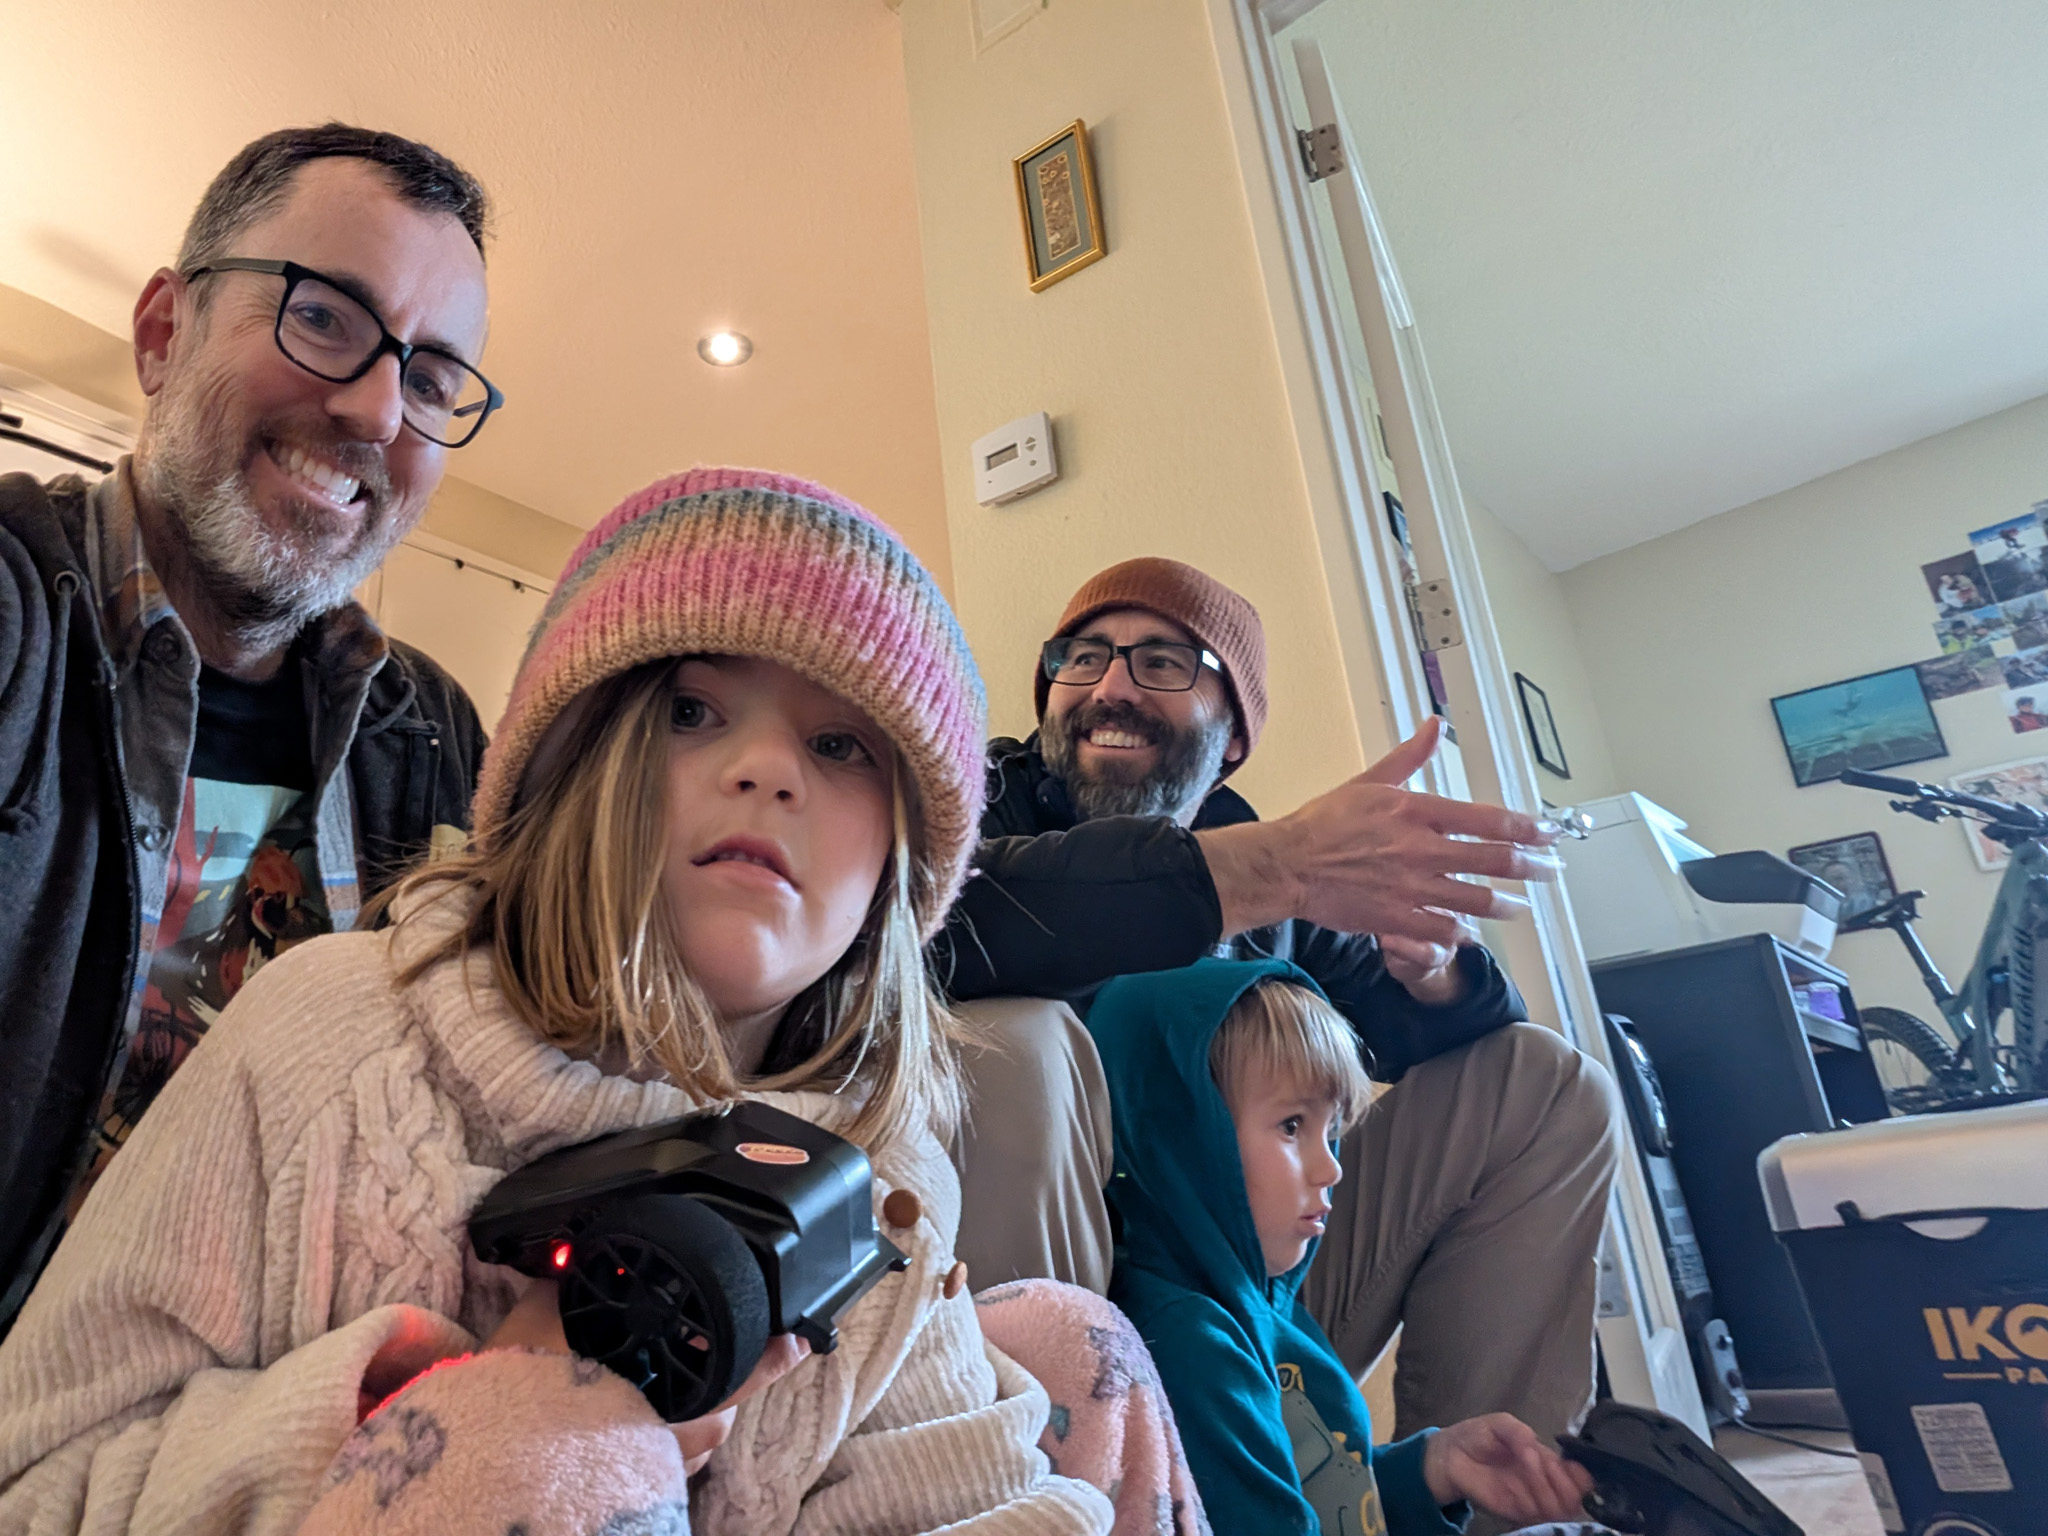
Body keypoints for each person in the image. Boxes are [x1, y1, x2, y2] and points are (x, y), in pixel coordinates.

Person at [0, 468, 1117, 1535]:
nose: (769, 770)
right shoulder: (329, 1035)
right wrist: (481, 1419)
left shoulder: (886, 1188)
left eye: (839, 746)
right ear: (574, 761)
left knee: (1080, 1349)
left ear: (900, 867)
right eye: (691, 711)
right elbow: (39, 1480)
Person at [937, 557, 1618, 1452]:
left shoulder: (1265, 860)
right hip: (1064, 1311)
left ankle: (1483, 1483)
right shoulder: (973, 806)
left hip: (1236, 1291)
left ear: (1232, 738)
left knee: (1547, 1080)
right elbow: (936, 926)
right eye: (1083, 657)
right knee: (1015, 1038)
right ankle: (1051, 1475)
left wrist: (1435, 971)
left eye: (1163, 662)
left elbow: (1441, 1032)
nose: (1110, 688)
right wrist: (1260, 870)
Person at [0, 123, 504, 1325]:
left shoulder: (431, 731)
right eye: (322, 316)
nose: (376, 410)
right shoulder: (18, 608)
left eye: (431, 378)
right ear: (162, 334)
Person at [1086, 958, 1597, 1535]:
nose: (1331, 1169)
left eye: (1331, 1132)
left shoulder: (1262, 1310)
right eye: (1291, 1126)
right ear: (1181, 1136)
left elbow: (1325, 1494)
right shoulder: (1190, 1350)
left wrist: (1433, 1468)